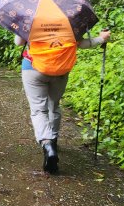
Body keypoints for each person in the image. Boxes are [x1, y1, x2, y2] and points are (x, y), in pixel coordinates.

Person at [14, 28, 111, 173]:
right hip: (60, 69)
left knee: (39, 109)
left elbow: (18, 42)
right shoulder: (70, 19)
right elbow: (82, 44)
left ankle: (47, 145)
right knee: (54, 105)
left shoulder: (30, 17)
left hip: (33, 67)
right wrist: (102, 38)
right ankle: (53, 139)